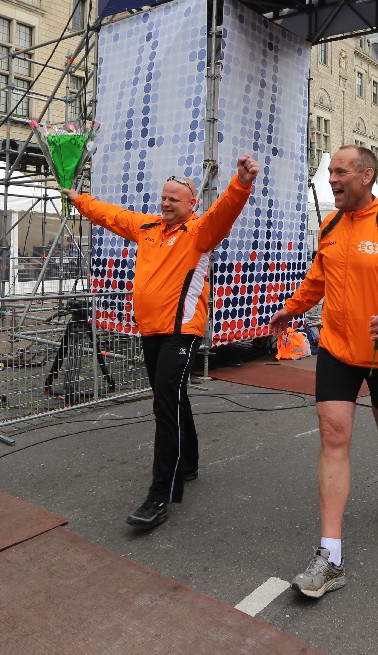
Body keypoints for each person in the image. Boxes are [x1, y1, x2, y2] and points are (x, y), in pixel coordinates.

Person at [267, 145, 378, 599]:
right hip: (335, 349)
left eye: (340, 171)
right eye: (330, 171)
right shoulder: (330, 225)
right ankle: (330, 557)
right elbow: (318, 279)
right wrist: (291, 310)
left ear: (366, 176)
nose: (332, 178)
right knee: (333, 437)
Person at [61, 155, 260, 530]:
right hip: (151, 331)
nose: (166, 204)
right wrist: (79, 200)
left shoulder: (200, 232)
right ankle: (189, 464)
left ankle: (159, 496)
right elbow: (112, 216)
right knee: (174, 397)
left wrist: (241, 183)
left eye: (174, 199)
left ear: (192, 204)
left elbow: (225, 212)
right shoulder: (148, 228)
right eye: (164, 197)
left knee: (165, 405)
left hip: (181, 333)